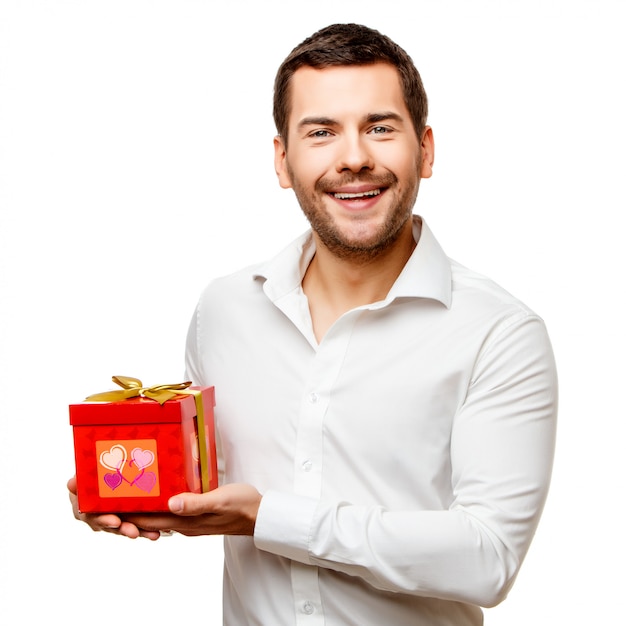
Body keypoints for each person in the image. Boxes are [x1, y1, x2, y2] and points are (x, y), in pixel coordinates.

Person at [69, 23, 558, 625]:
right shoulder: (224, 311)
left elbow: (488, 558)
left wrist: (268, 518)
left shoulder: (499, 332)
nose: (354, 157)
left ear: (425, 150)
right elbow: (208, 478)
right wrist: (126, 484)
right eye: (321, 132)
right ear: (283, 160)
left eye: (380, 127)